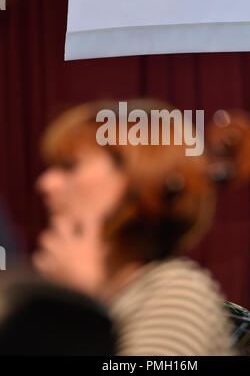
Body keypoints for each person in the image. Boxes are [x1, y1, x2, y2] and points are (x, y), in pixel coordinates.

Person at [32, 99, 233, 356]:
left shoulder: (174, 293)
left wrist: (81, 307)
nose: (46, 183)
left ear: (138, 180)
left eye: (71, 167)